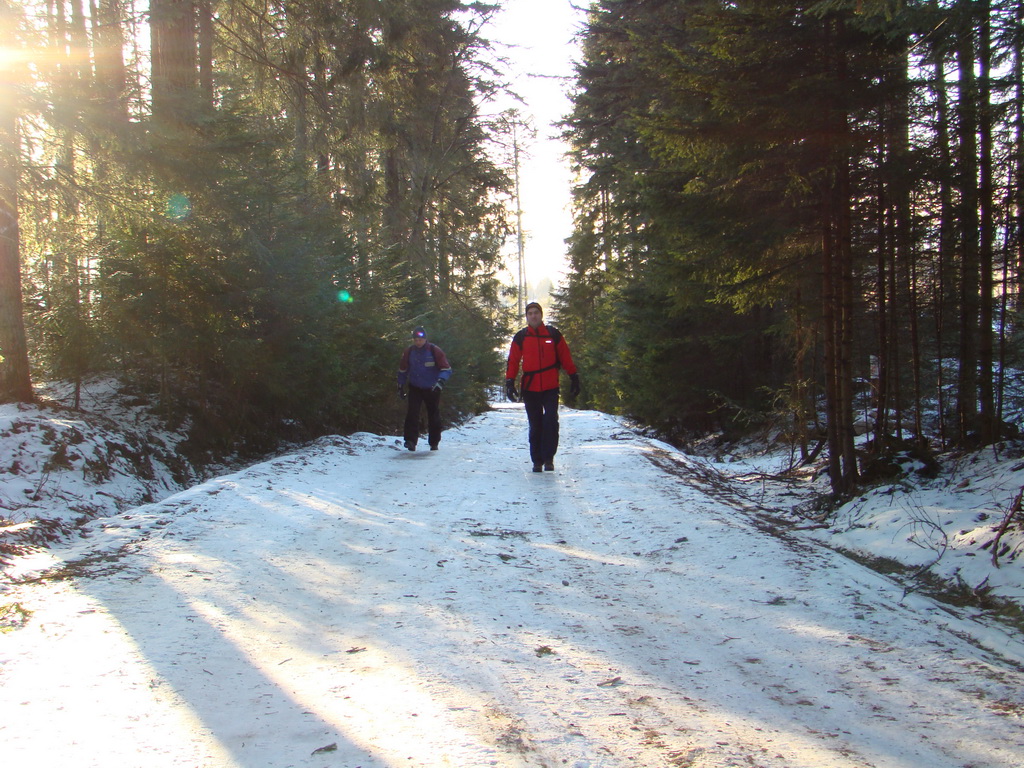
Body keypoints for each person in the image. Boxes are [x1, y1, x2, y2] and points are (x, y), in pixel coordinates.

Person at [505, 302, 580, 472]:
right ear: (526, 316)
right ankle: (537, 460)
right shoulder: (521, 337)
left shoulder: (553, 334)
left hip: (550, 386)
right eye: (530, 313)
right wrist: (510, 381)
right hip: (530, 388)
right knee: (535, 423)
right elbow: (513, 361)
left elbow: (565, 356)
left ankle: (549, 458)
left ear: (541, 314)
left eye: (536, 312)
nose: (533, 316)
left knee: (551, 421)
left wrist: (574, 376)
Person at [397, 326, 452, 451]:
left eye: (420, 340)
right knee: (412, 413)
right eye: (415, 340)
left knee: (433, 414)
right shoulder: (409, 352)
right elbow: (403, 370)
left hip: (432, 388)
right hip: (415, 387)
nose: (418, 342)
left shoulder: (434, 350)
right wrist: (400, 385)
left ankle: (434, 442)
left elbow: (446, 369)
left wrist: (441, 382)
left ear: (425, 339)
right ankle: (410, 441)